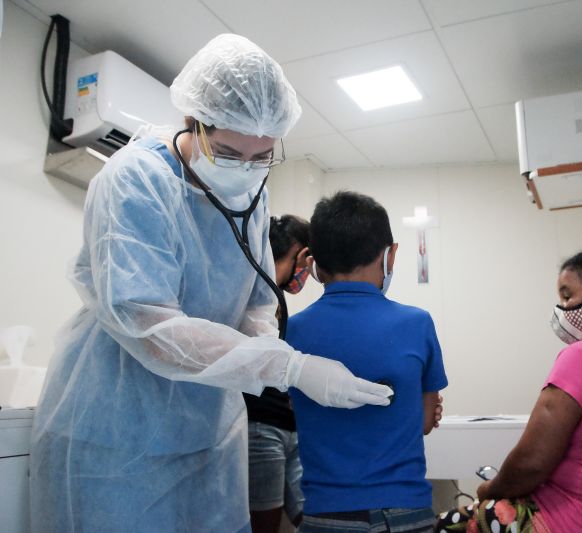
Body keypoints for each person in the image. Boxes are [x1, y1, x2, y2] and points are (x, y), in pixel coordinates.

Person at [29, 34, 390, 533]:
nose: (245, 171)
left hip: (206, 431)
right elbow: (149, 324)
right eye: (227, 152)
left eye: (261, 156)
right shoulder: (136, 179)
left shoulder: (251, 193)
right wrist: (288, 367)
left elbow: (258, 300)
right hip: (117, 433)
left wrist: (273, 358)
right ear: (191, 124)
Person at [436, 249, 582, 533]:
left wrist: (489, 489)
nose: (562, 309)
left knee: (441, 525)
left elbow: (531, 463)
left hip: (567, 521)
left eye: (568, 297)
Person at [287, 191, 449, 533]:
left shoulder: (293, 331)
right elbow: (422, 421)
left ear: (314, 262)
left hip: (325, 516)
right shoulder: (416, 323)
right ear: (390, 256)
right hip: (405, 514)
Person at [246, 214, 311, 533]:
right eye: (309, 263)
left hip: (287, 426)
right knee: (265, 522)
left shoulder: (274, 296)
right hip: (260, 425)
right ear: (301, 254)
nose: (308, 274)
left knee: (308, 515)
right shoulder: (255, 290)